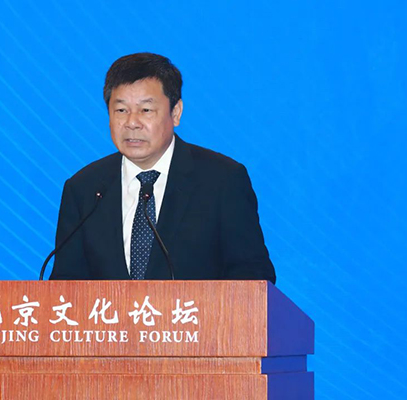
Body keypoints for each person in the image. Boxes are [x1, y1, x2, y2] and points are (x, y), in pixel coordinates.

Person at [49, 52, 276, 284]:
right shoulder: (84, 189)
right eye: (121, 110)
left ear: (175, 113)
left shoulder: (222, 180)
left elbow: (253, 277)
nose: (132, 122)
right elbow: (65, 285)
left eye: (146, 110)